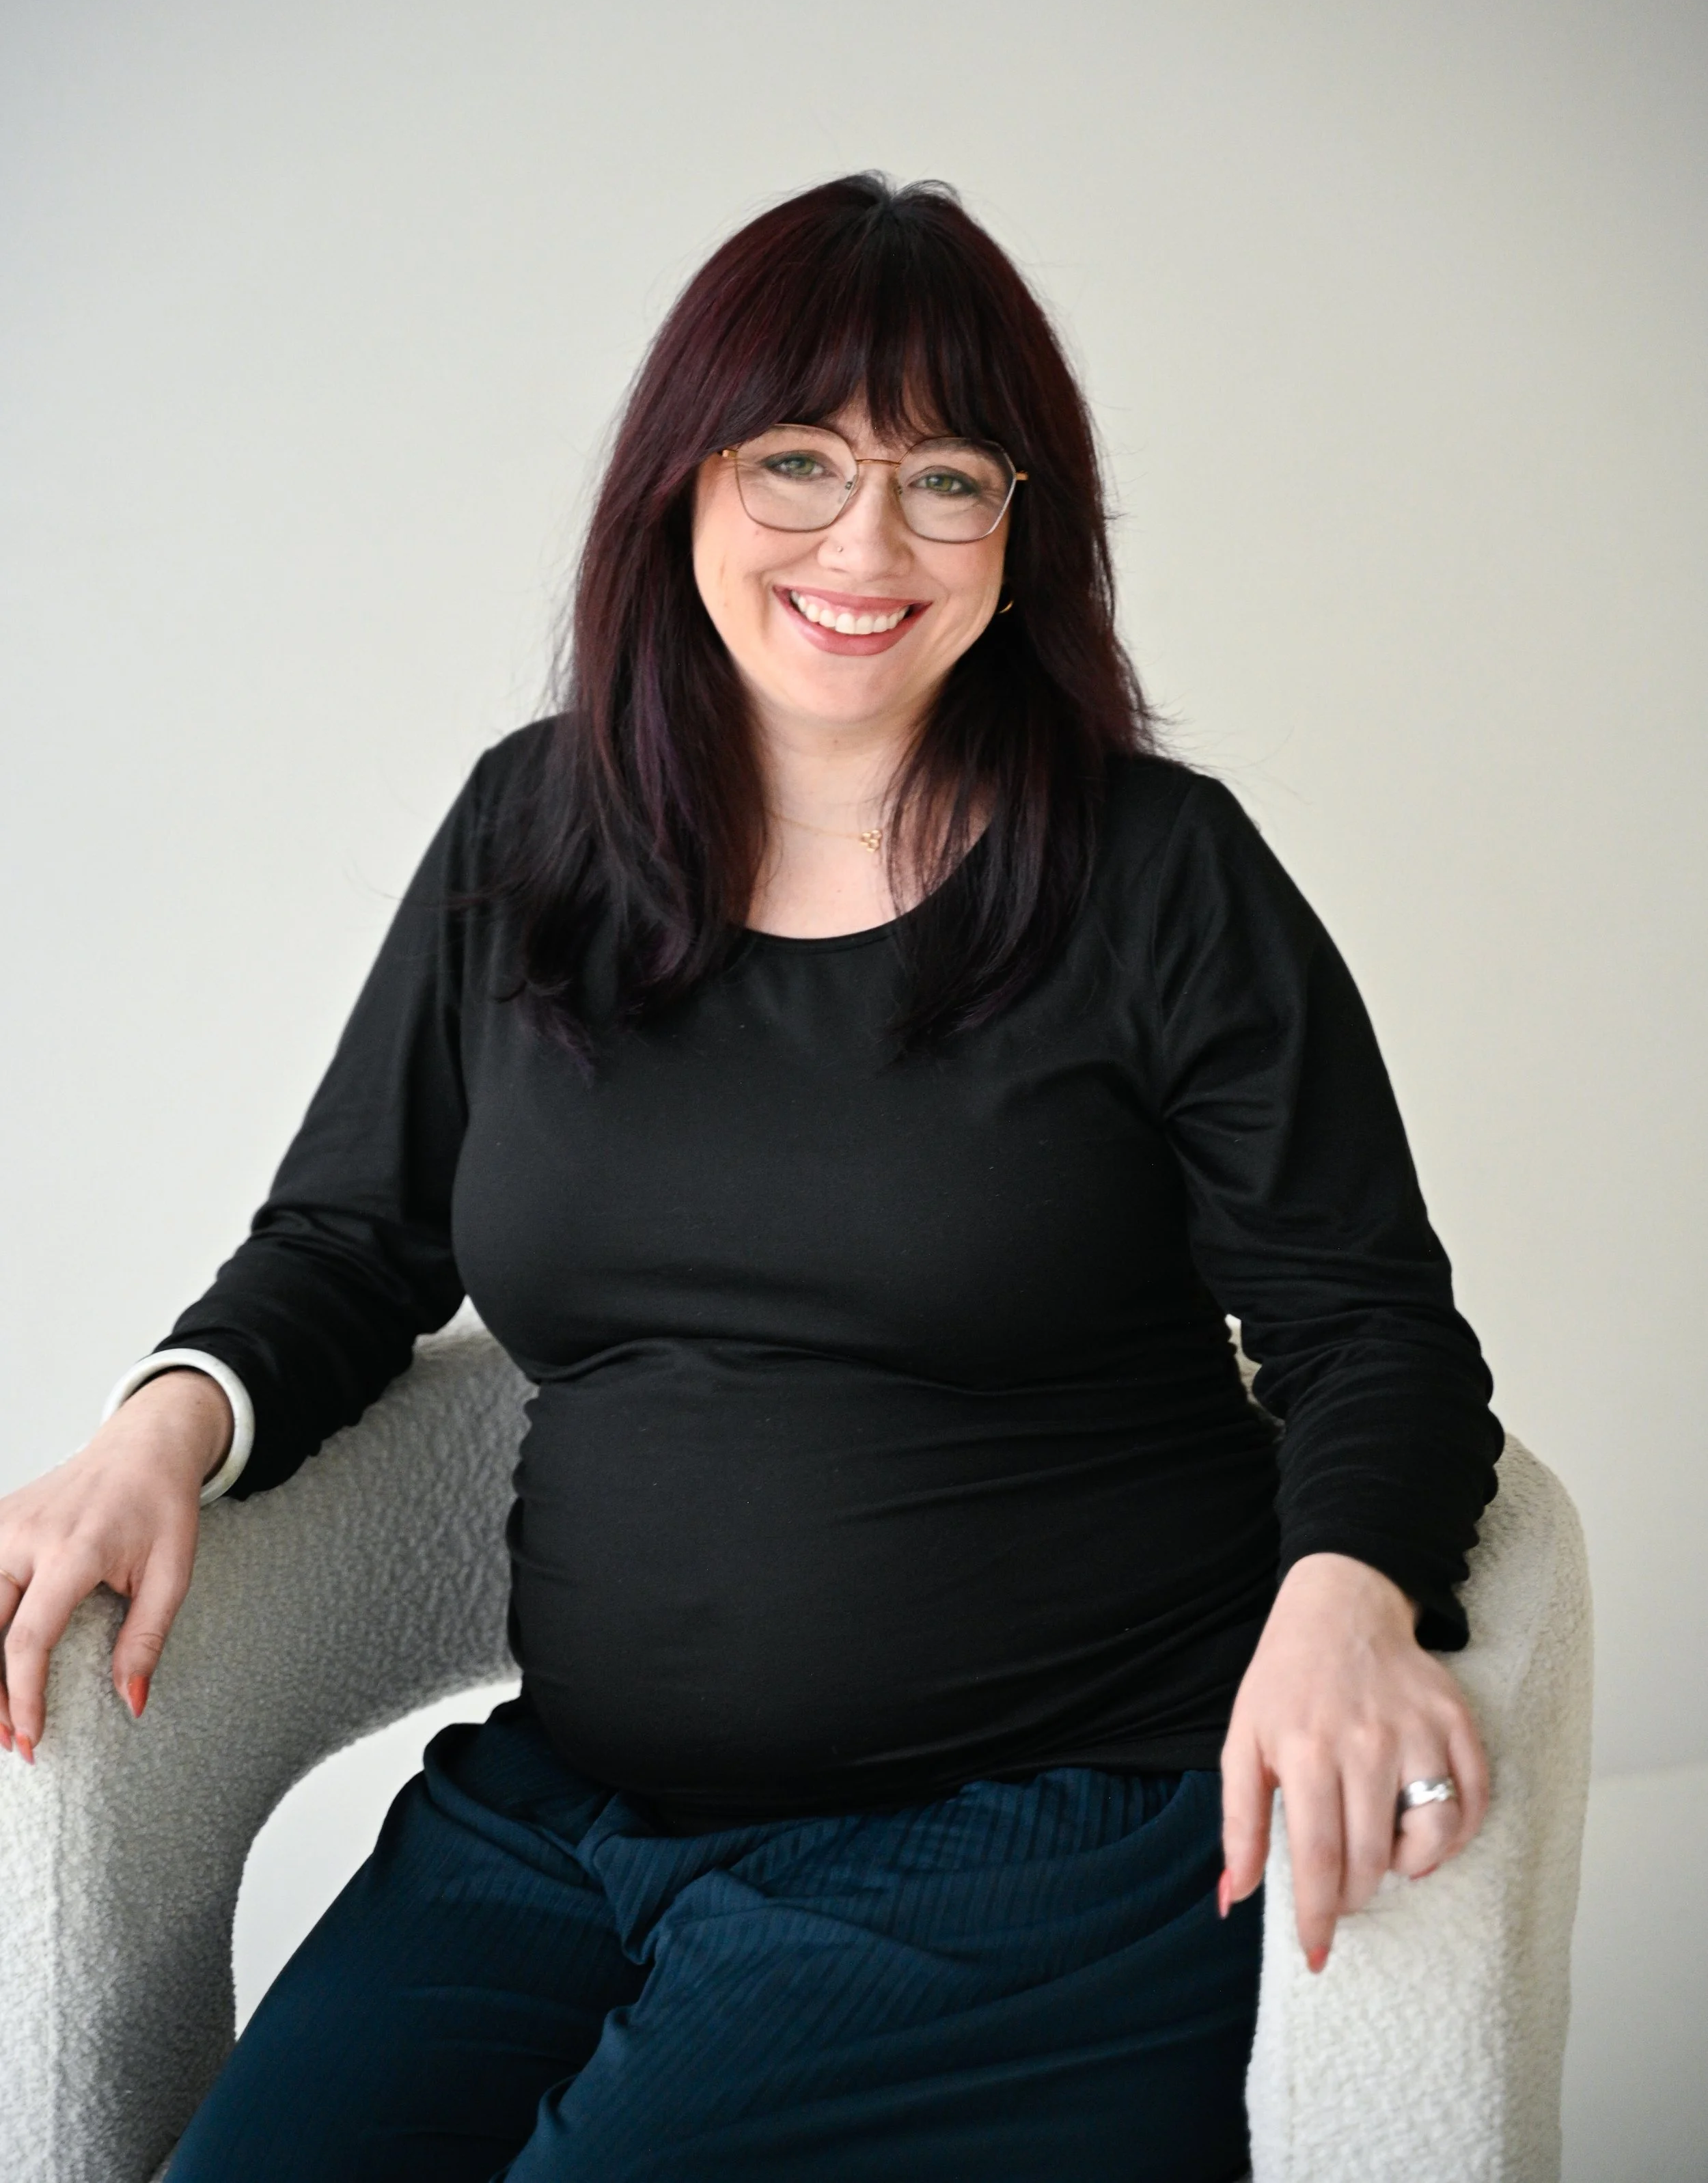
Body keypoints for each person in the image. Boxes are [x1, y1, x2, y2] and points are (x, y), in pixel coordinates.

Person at [0, 175, 1501, 2183]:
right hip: (563, 1820)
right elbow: (351, 1237)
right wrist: (160, 1423)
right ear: (682, 485)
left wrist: (1345, 1596)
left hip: (1036, 1831)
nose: (864, 545)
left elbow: (1370, 1328)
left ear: (1020, 534)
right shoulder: (528, 833)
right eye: (798, 459)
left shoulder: (1158, 873)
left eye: (944, 478)